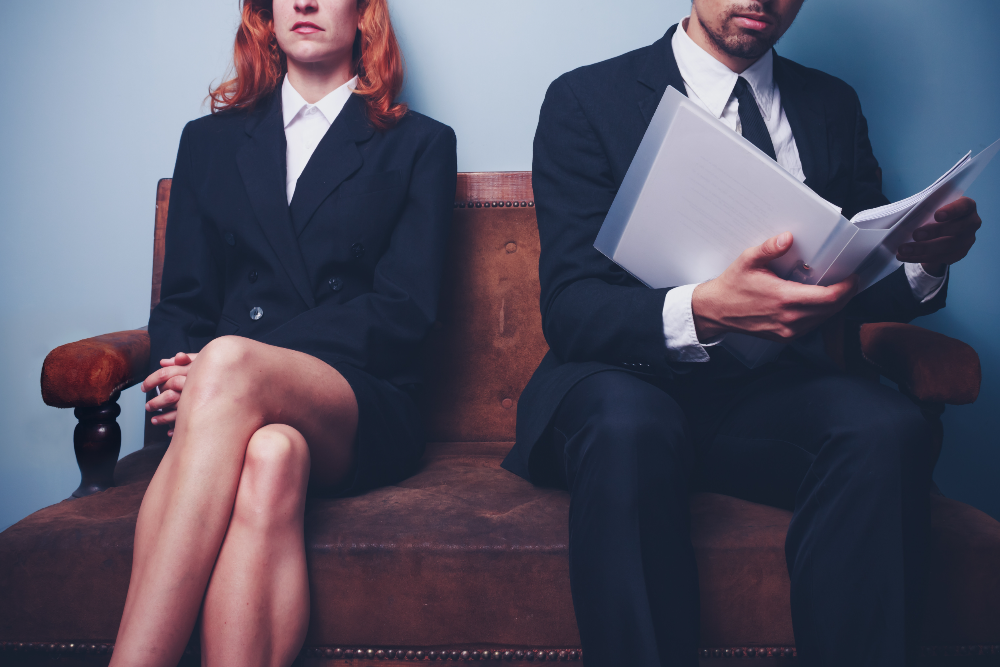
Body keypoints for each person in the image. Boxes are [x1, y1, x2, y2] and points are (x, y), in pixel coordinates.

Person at [502, 1, 983, 666]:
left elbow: (859, 282)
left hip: (768, 393)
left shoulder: (831, 105)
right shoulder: (587, 99)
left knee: (887, 426)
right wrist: (706, 307)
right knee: (629, 428)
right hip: (625, 382)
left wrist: (925, 256)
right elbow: (574, 307)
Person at [108, 0, 456, 665]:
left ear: (364, 14)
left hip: (360, 397)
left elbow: (404, 310)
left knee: (232, 362)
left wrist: (227, 368)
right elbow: (182, 300)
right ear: (264, 18)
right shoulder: (208, 142)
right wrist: (185, 376)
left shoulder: (420, 142)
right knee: (270, 456)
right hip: (224, 403)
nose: (304, 2)